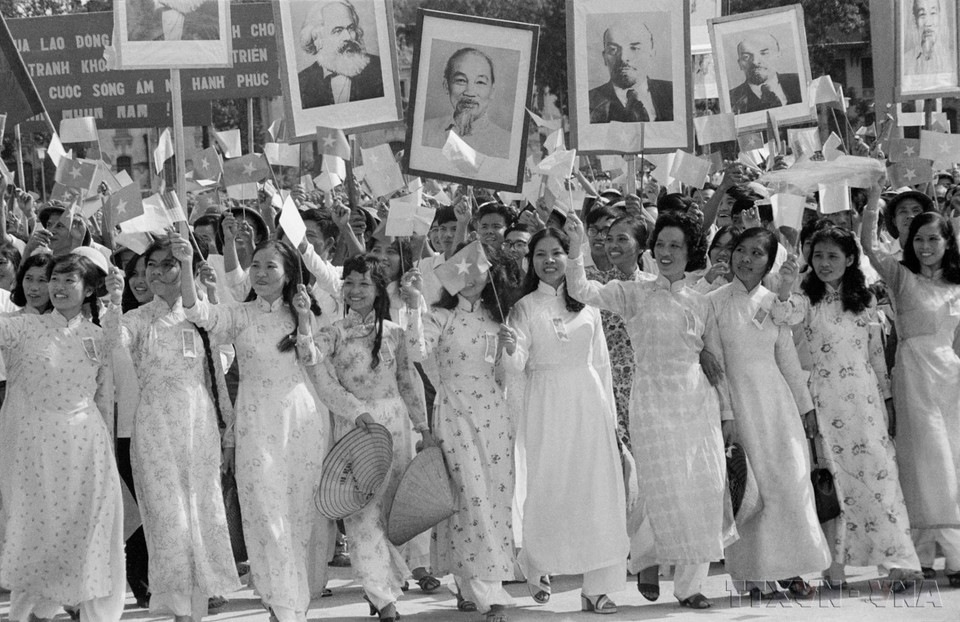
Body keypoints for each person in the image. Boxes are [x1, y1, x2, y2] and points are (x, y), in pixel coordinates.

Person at [180, 238, 368, 622]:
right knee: (265, 513)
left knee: (300, 518)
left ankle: (291, 601)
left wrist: (301, 319)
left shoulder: (306, 314)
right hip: (255, 423)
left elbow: (316, 367)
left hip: (301, 422)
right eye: (256, 266)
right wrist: (186, 266)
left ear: (288, 274)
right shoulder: (240, 314)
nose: (261, 273)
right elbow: (198, 312)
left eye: (271, 267)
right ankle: (285, 605)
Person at [565, 212, 732, 609]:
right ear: (651, 251)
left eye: (675, 246)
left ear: (690, 251)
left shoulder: (701, 300)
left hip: (697, 402)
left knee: (704, 486)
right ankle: (647, 561)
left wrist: (728, 415)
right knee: (654, 490)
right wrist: (575, 249)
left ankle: (691, 586)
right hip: (651, 403)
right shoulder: (633, 293)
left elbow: (715, 360)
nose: (667, 252)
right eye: (661, 245)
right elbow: (582, 288)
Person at [772, 226, 924, 591]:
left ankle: (897, 564)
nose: (824, 263)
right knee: (832, 482)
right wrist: (786, 283)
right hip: (823, 401)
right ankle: (834, 568)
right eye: (819, 256)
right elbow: (780, 317)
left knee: (880, 476)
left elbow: (875, 354)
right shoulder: (805, 300)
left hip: (866, 398)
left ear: (851, 259)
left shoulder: (866, 299)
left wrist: (887, 400)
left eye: (833, 256)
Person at [104, 236, 241, 622]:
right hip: (153, 426)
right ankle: (178, 607)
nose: (159, 272)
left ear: (186, 268)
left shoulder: (202, 318)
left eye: (169, 264)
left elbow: (215, 376)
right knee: (167, 515)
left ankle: (200, 602)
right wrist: (114, 300)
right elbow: (112, 341)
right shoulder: (138, 318)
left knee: (205, 511)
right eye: (152, 266)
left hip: (199, 424)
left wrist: (228, 432)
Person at [499, 228, 629, 615]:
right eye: (541, 254)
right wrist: (509, 348)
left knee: (596, 493)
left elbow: (601, 363)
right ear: (530, 261)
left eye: (557, 252)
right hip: (545, 405)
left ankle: (598, 589)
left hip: (589, 404)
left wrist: (612, 418)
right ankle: (539, 570)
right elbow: (516, 365)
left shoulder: (588, 304)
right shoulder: (522, 307)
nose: (550, 260)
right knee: (547, 488)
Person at [299, 256, 432, 622]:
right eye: (350, 283)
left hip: (397, 428)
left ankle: (382, 587)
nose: (355, 291)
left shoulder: (395, 332)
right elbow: (309, 357)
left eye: (364, 284)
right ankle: (383, 597)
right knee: (361, 516)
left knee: (390, 513)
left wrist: (424, 427)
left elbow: (409, 380)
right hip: (356, 431)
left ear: (378, 290)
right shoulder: (333, 331)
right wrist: (301, 318)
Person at [0, 254, 125, 622]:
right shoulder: (22, 328)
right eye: (55, 278)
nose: (57, 287)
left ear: (88, 290)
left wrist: (116, 300)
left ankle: (85, 609)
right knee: (39, 528)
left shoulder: (97, 335)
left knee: (87, 529)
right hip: (37, 446)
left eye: (69, 280)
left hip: (87, 444)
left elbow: (114, 347)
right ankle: (31, 611)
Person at [707, 228, 830, 599]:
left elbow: (788, 360)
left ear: (770, 259)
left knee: (789, 483)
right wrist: (726, 414)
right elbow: (715, 363)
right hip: (738, 408)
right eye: (740, 250)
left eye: (757, 253)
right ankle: (755, 574)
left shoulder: (777, 302)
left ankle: (793, 569)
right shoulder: (712, 302)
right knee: (749, 489)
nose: (746, 259)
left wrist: (805, 407)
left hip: (778, 406)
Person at [401, 246, 520, 622]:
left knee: (495, 499)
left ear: (490, 275)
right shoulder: (440, 316)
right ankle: (491, 594)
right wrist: (415, 305)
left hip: (496, 418)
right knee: (469, 498)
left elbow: (506, 375)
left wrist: (510, 352)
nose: (468, 276)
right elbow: (417, 351)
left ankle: (469, 585)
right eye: (460, 269)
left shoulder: (496, 319)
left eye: (477, 270)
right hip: (455, 415)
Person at [861, 187, 960, 586]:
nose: (924, 246)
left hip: (950, 379)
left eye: (933, 238)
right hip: (913, 375)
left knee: (952, 461)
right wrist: (872, 200)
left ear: (948, 242)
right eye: (918, 239)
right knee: (923, 463)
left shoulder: (957, 286)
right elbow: (867, 246)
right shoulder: (901, 277)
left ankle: (953, 556)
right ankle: (919, 554)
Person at [421, 48, 511, 159]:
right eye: (461, 80)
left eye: (480, 82)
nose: (469, 92)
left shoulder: (508, 144)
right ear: (446, 85)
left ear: (492, 91)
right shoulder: (425, 132)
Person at [297, 0, 384, 108]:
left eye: (351, 28)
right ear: (318, 39)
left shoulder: (380, 69)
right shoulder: (301, 83)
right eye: (338, 31)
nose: (348, 37)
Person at [588, 22, 674, 123]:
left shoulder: (674, 92)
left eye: (634, 48)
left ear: (651, 54)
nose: (624, 58)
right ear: (604, 57)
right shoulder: (588, 102)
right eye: (613, 49)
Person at [728, 32, 802, 114]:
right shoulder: (730, 100)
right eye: (746, 57)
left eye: (764, 53)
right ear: (740, 64)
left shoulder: (800, 82)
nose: (755, 62)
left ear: (778, 55)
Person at [905, 0, 953, 75]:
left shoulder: (953, 59)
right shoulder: (905, 62)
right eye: (922, 14)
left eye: (933, 13)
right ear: (915, 20)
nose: (928, 23)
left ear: (940, 17)